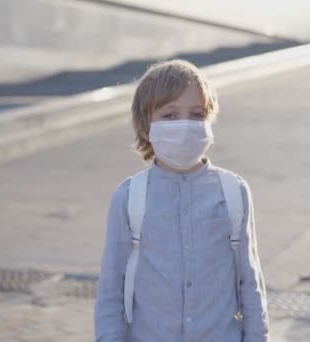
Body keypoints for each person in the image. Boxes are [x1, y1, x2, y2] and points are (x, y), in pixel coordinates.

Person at [94, 59, 269, 341]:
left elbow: (250, 284)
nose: (185, 125)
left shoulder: (234, 192)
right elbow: (112, 287)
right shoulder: (129, 197)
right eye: (170, 116)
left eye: (197, 114)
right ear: (144, 127)